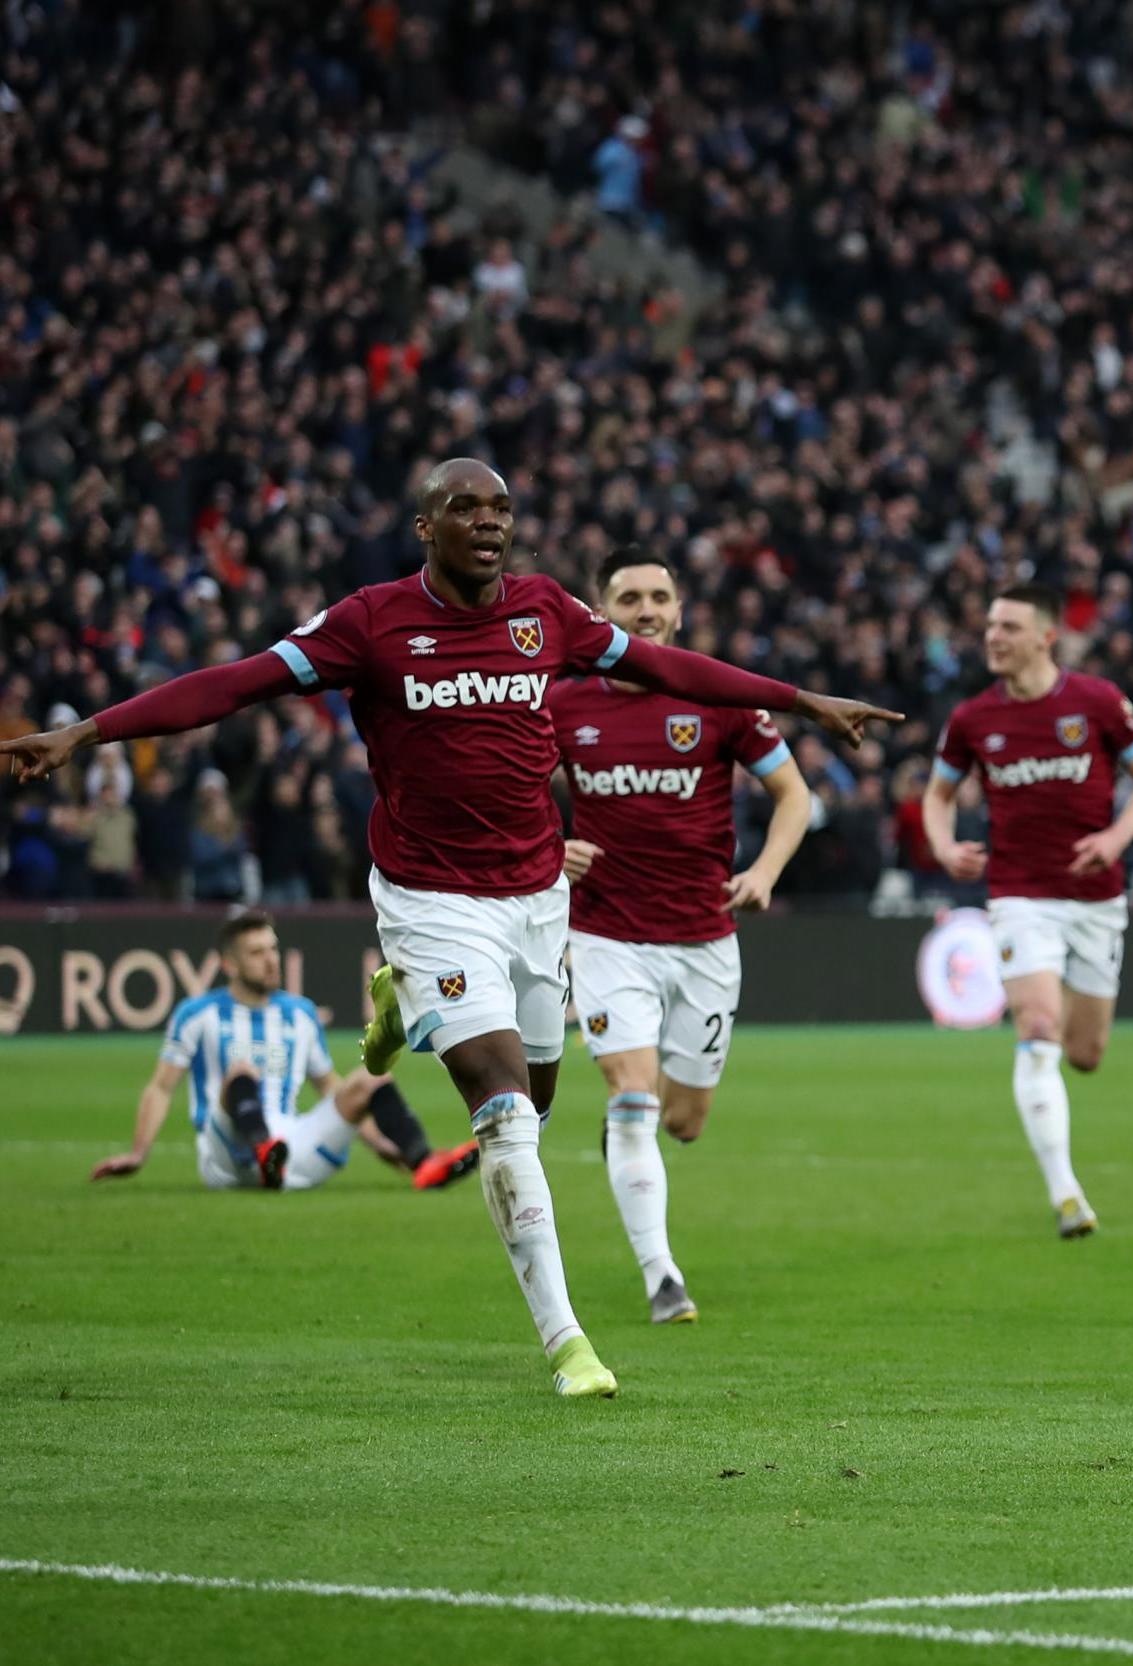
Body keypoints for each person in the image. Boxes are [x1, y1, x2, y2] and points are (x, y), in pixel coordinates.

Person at [1, 458, 901, 1398]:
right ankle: (568, 1344)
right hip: (430, 900)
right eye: (463, 507)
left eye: (500, 508)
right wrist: (87, 732)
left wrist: (801, 699)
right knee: (507, 1117)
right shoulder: (371, 622)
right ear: (424, 526)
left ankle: (402, 1012)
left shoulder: (546, 613)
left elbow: (671, 666)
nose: (487, 521)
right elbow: (235, 684)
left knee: (543, 1098)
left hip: (537, 894)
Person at [552, 546, 812, 1325]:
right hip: (605, 937)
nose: (646, 610)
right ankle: (662, 1277)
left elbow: (793, 795)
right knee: (634, 1099)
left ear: (678, 607)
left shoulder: (719, 697)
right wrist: (546, 845)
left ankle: (629, 1128)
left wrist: (765, 871)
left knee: (684, 1123)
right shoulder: (563, 706)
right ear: (601, 615)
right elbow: (510, 792)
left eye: (658, 596)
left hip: (704, 940)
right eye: (628, 598)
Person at [924, 583, 1133, 1237]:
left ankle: (1064, 1169)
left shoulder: (1094, 701)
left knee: (1085, 1052)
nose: (993, 638)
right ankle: (1066, 1197)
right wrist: (945, 846)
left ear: (1045, 637)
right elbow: (938, 794)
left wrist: (1116, 838)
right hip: (1018, 895)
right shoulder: (972, 718)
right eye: (989, 628)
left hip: (1095, 898)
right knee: (1036, 1025)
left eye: (1008, 627)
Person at [94, 909, 477, 1193]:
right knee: (242, 1072)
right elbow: (162, 1087)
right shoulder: (198, 1014)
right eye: (256, 952)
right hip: (225, 1155)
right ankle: (262, 1150)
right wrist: (138, 1152)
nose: (270, 959)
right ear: (229, 963)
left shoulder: (300, 1014)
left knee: (367, 1081)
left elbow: (330, 1088)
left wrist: (378, 1143)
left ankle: (423, 1162)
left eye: (272, 949)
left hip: (291, 1148)